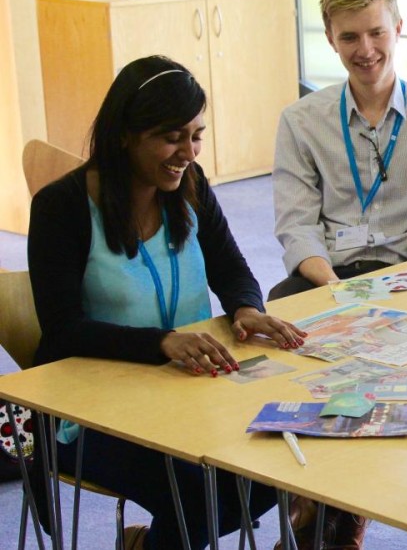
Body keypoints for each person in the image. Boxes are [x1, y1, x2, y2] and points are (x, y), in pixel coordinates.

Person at [27, 55, 305, 549]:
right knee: (198, 493)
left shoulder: (191, 188)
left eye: (196, 135)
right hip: (88, 411)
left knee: (297, 445)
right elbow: (63, 330)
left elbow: (232, 269)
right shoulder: (62, 206)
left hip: (188, 392)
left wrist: (245, 307)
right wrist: (164, 343)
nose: (189, 152)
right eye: (173, 137)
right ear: (125, 134)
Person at [269, 0, 407, 301]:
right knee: (282, 302)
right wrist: (338, 290)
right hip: (329, 275)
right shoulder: (300, 121)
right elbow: (297, 227)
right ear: (331, 39)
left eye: (377, 33)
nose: (366, 50)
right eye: (349, 37)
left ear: (398, 29)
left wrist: (404, 291)